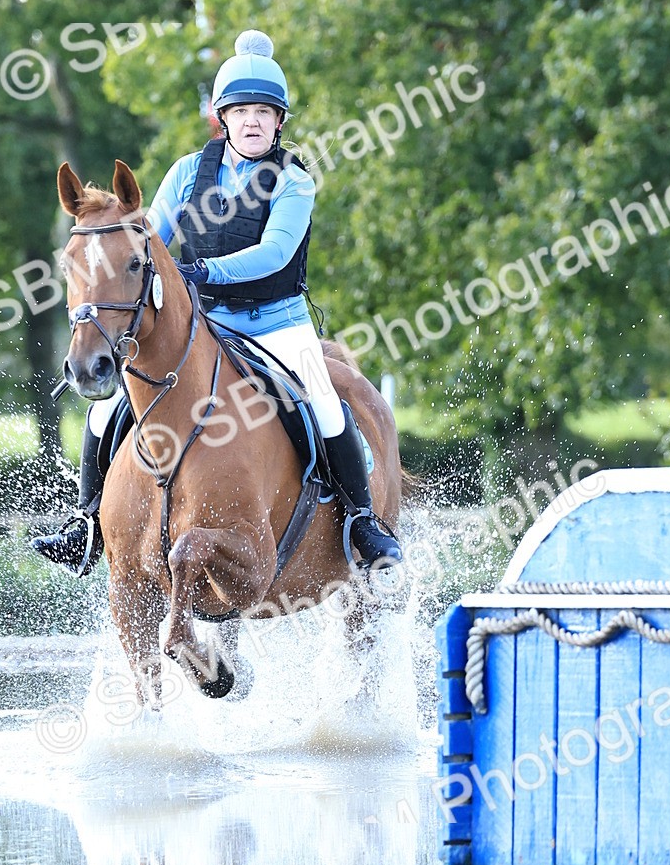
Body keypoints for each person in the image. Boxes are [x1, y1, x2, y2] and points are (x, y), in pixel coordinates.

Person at [32, 30, 402, 575]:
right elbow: (150, 235)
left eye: (264, 112)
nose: (252, 121)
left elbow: (274, 255)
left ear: (279, 122)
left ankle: (361, 521)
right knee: (108, 408)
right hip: (207, 324)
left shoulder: (294, 182)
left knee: (324, 402)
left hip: (278, 325)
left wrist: (201, 269)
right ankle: (87, 523)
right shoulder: (187, 172)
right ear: (222, 118)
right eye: (241, 111)